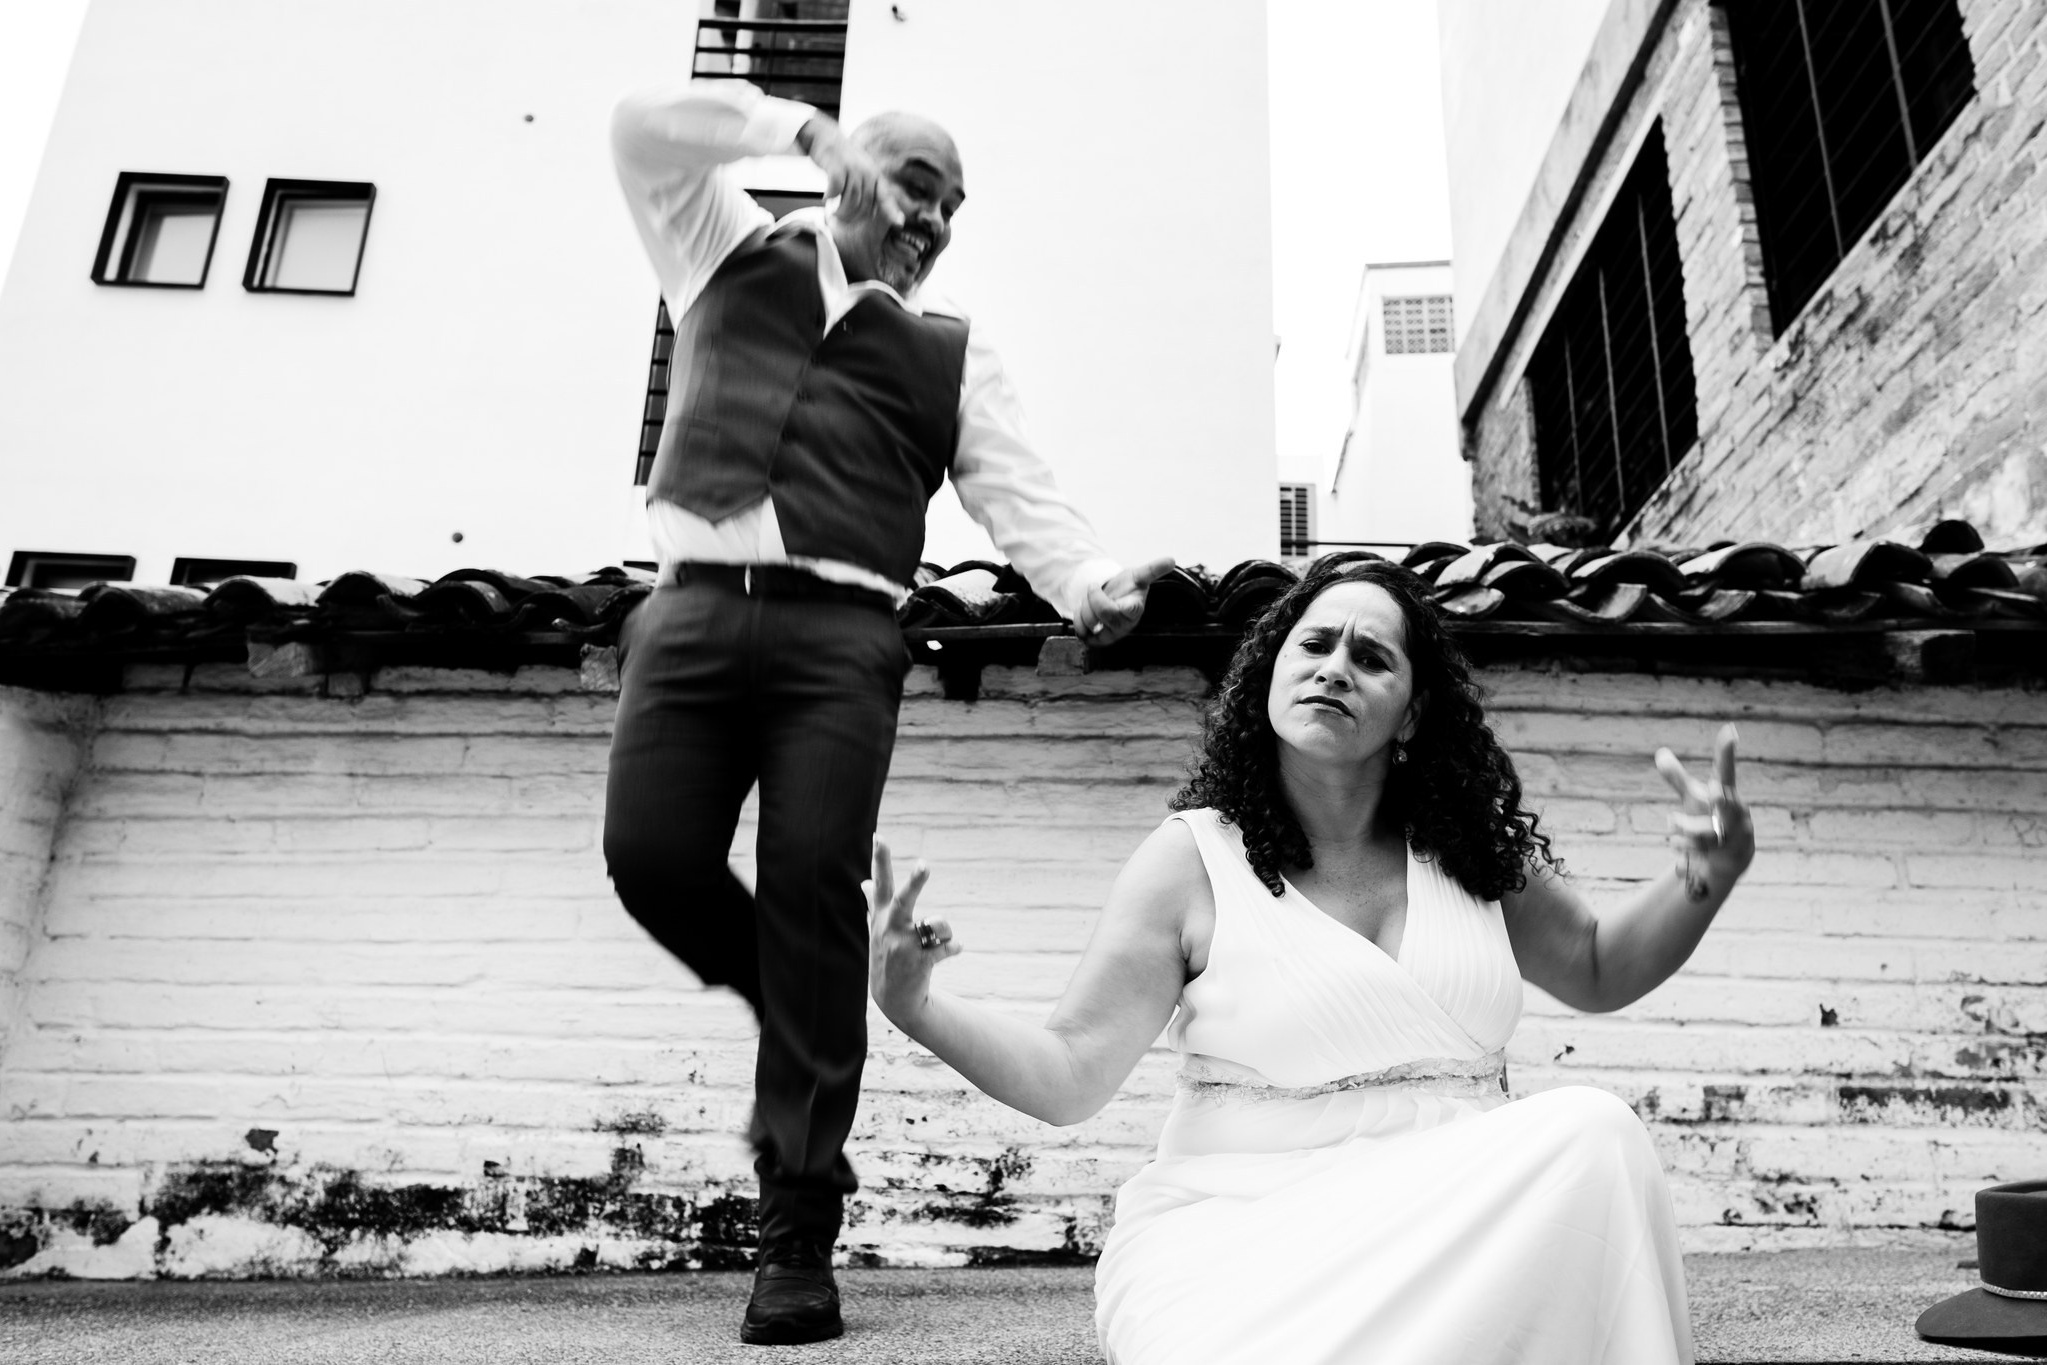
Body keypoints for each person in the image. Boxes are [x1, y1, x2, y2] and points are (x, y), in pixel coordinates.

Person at [869, 555, 1757, 1364]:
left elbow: (1599, 965)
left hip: (1454, 1219)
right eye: (1315, 644)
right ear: (1268, 675)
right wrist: (918, 1006)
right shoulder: (1191, 859)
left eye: (1372, 657)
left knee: (1592, 1130)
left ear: (1410, 711)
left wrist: (1700, 882)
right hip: (1248, 1232)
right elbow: (1068, 1074)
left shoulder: (1471, 850)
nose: (1335, 665)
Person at [603, 79, 1170, 1345]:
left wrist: (1085, 585)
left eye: (954, 209)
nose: (936, 222)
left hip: (844, 638)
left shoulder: (951, 354)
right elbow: (638, 129)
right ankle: (791, 992)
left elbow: (1019, 495)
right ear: (858, 169)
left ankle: (794, 1239)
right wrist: (800, 132)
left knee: (814, 887)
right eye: (921, 187)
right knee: (648, 861)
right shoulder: (719, 246)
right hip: (689, 612)